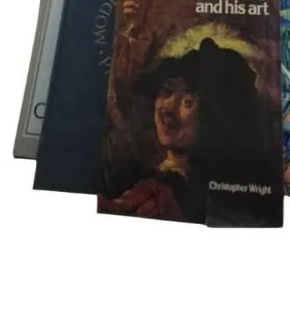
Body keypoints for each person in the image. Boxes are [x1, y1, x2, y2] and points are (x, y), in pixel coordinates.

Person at [98, 35, 261, 223]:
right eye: (166, 91)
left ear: (213, 115)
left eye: (187, 101)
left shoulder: (161, 197)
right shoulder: (145, 177)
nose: (168, 107)